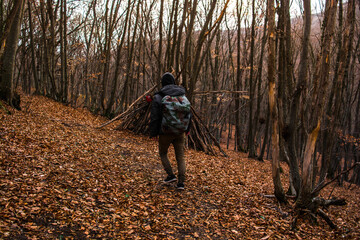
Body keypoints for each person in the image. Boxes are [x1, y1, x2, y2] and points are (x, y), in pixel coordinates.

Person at [149, 72, 191, 190]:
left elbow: (155, 116)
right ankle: (181, 183)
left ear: (163, 83)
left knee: (163, 153)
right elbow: (189, 114)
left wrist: (154, 132)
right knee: (180, 157)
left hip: (165, 131)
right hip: (180, 132)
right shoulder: (183, 96)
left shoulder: (159, 96)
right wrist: (187, 129)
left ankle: (170, 175)